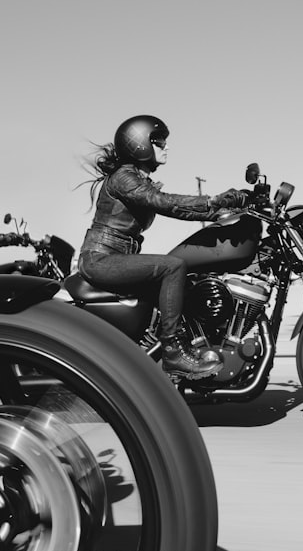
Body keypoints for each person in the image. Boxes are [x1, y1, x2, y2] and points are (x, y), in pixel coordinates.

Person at [78, 114, 248, 379]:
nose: (166, 147)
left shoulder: (137, 178)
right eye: (158, 141)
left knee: (190, 281)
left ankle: (191, 344)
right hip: (101, 260)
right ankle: (172, 353)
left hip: (115, 258)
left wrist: (225, 211)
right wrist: (213, 201)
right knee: (173, 266)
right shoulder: (124, 177)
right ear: (139, 145)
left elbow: (178, 209)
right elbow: (161, 202)